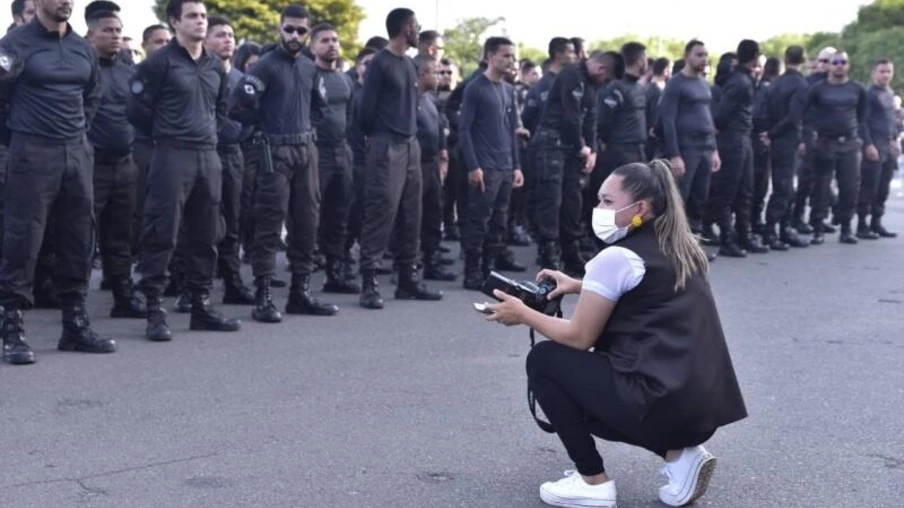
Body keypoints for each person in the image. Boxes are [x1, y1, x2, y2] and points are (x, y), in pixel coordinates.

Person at [485, 159, 747, 508]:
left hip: (660, 404)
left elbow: (580, 337)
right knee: (597, 376)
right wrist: (580, 285)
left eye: (608, 202)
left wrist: (524, 314)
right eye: (598, 200)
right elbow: (647, 297)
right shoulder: (683, 248)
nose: (598, 209)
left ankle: (592, 481)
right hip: (699, 409)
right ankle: (679, 456)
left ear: (640, 208)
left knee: (546, 361)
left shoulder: (618, 257)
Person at [0, 0, 117, 364]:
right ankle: (13, 328)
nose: (66, 1)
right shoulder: (14, 45)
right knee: (24, 239)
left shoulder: (83, 47)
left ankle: (75, 325)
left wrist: (78, 134)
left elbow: (92, 95)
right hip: (31, 153)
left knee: (78, 238)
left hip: (76, 154)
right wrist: (19, 140)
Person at [128, 0, 241, 341]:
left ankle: (201, 305)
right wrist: (169, 133)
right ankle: (154, 309)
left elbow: (221, 109)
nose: (200, 22)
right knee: (162, 232)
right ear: (175, 21)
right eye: (193, 16)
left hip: (209, 156)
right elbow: (136, 111)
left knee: (206, 234)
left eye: (204, 16)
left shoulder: (213, 65)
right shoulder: (158, 64)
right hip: (171, 155)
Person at [356, 7, 443, 309]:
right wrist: (381, 138)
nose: (419, 30)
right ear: (406, 28)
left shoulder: (408, 63)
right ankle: (369, 282)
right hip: (385, 145)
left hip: (410, 146)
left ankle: (408, 279)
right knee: (381, 211)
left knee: (411, 213)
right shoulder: (381, 63)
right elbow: (364, 111)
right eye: (416, 25)